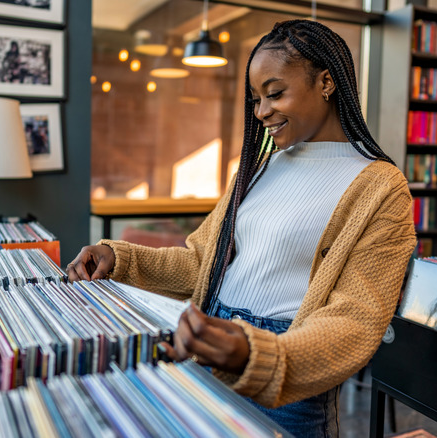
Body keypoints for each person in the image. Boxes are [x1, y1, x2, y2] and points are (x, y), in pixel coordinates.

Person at [67, 19, 416, 437]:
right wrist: (119, 258)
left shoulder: (381, 187)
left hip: (286, 382)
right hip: (208, 347)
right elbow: (201, 263)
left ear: (326, 82)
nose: (261, 111)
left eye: (275, 93)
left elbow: (355, 320)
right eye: (255, 99)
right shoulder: (258, 168)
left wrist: (257, 353)